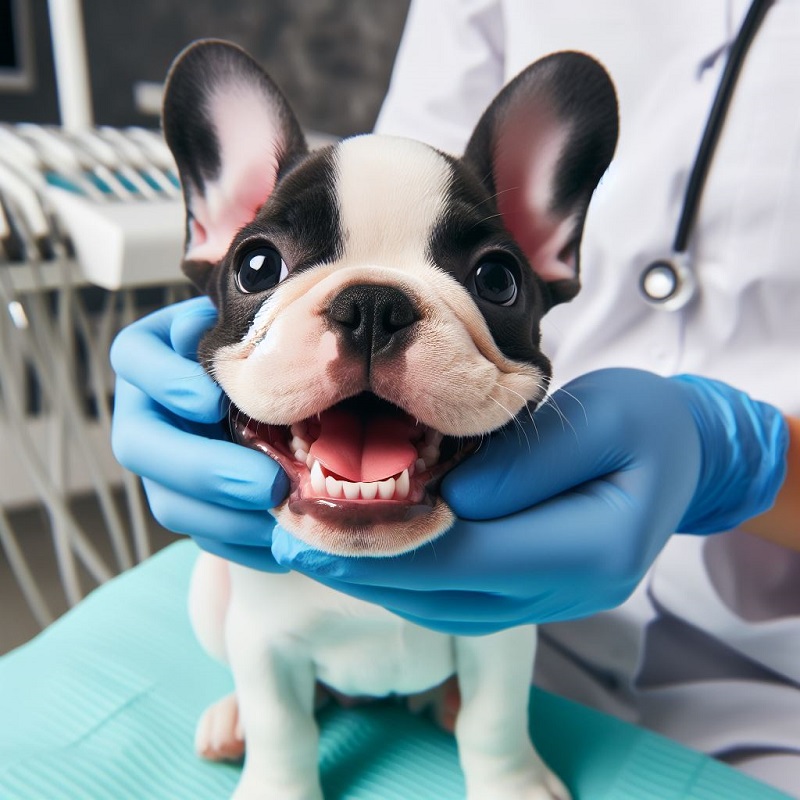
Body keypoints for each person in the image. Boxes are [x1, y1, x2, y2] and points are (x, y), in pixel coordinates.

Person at [110, 1, 800, 793]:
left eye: (492, 275)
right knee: (235, 611)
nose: (371, 318)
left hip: (773, 673)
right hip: (541, 621)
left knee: (492, 633)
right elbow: (396, 187)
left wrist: (743, 459)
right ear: (213, 232)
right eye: (263, 266)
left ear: (549, 248)